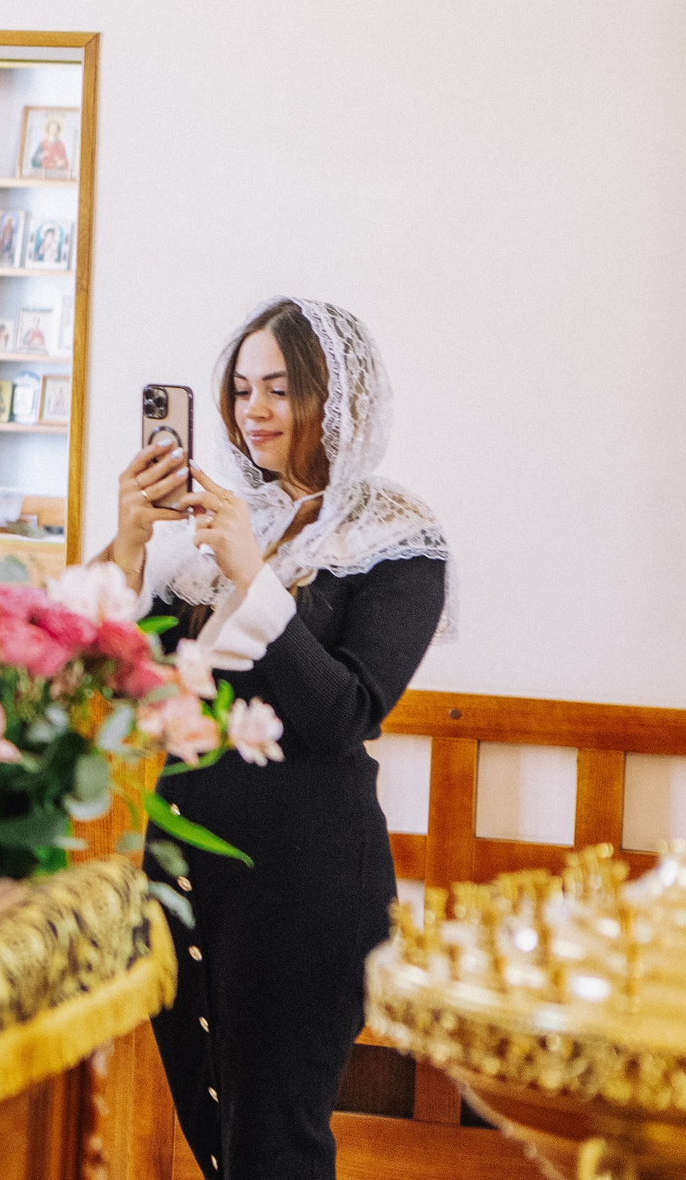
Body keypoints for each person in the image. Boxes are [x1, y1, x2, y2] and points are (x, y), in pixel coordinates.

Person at [103, 298, 447, 1180]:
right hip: (183, 871)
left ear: (335, 398)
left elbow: (342, 714)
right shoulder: (212, 534)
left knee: (276, 1143)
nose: (253, 410)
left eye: (280, 389)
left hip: (304, 880)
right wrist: (134, 544)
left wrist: (255, 573)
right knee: (215, 1135)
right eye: (242, 389)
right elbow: (117, 684)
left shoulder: (395, 536)